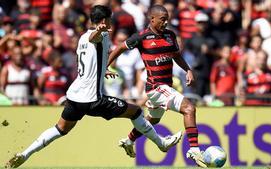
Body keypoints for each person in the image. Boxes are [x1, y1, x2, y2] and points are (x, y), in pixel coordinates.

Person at [5, 5, 182, 168]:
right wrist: (99, 31)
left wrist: (102, 70)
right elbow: (94, 38)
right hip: (92, 100)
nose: (111, 22)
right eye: (110, 19)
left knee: (60, 129)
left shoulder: (81, 37)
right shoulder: (100, 35)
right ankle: (161, 143)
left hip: (74, 96)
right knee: (136, 112)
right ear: (104, 21)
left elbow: (88, 58)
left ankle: (25, 154)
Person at [107, 4, 207, 167]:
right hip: (156, 87)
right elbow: (119, 48)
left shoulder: (170, 35)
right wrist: (107, 65)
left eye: (167, 19)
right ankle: (194, 149)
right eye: (162, 19)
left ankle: (128, 140)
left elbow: (176, 56)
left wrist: (187, 69)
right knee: (189, 108)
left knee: (152, 120)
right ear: (152, 19)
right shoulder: (141, 37)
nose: (166, 22)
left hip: (165, 86)